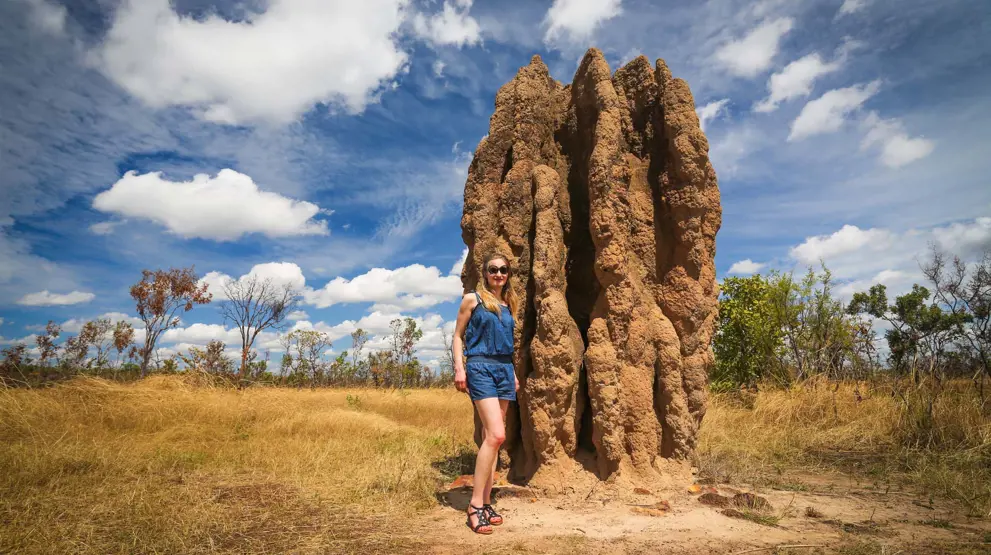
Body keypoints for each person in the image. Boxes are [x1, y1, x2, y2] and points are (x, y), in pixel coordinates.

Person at [452, 252, 520, 535]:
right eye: (493, 270)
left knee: (490, 439)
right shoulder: (473, 299)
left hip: (504, 370)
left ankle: (488, 501)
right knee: (497, 434)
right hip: (479, 367)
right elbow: (457, 336)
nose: (499, 274)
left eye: (503, 270)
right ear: (485, 273)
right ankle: (475, 506)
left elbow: (507, 344)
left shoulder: (508, 304)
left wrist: (513, 373)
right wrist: (460, 368)